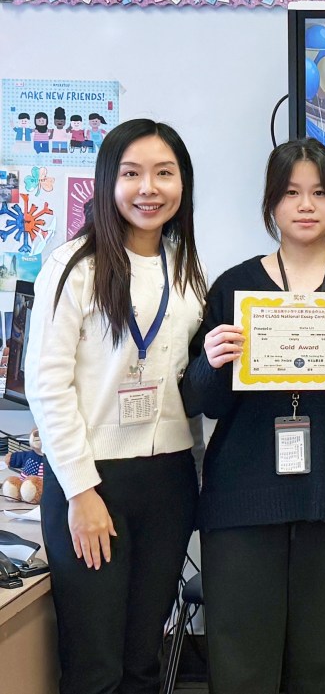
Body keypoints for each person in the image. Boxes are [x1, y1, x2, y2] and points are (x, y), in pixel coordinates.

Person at [183, 138, 325, 694]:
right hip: (243, 503)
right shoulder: (234, 286)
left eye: (321, 193)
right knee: (242, 667)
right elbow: (205, 401)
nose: (306, 205)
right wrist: (211, 363)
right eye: (291, 193)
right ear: (270, 202)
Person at [26, 118, 208, 694]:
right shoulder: (73, 266)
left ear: (183, 184)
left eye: (164, 173)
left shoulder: (186, 269)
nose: (148, 188)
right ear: (108, 181)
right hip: (92, 480)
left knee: (142, 661)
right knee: (95, 666)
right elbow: (47, 384)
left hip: (169, 479)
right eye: (132, 173)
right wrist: (81, 492)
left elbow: (191, 379)